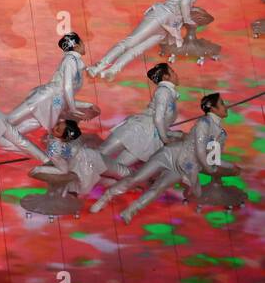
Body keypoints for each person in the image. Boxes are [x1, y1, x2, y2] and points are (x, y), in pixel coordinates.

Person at [89, 93, 228, 223]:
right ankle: (106, 197)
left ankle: (131, 210)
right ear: (213, 108)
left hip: (184, 166)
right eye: (222, 103)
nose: (225, 106)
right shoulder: (204, 123)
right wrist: (207, 168)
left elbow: (213, 156)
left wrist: (206, 168)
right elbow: (199, 148)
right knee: (137, 178)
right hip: (171, 154)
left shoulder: (221, 133)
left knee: (157, 189)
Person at [88, 0, 198, 80]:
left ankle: (105, 69)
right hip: (167, 19)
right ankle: (104, 69)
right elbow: (184, 2)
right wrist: (188, 20)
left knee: (132, 44)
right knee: (133, 45)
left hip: (166, 20)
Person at [98, 63, 184, 171]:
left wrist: (175, 134)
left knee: (115, 167)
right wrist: (165, 139)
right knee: (100, 155)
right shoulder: (164, 91)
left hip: (148, 137)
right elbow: (158, 119)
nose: (176, 74)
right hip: (138, 128)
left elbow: (162, 124)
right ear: (166, 77)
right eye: (173, 72)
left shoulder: (169, 94)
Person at [7, 33, 91, 132]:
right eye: (82, 42)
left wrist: (86, 105)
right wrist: (73, 108)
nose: (84, 45)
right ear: (76, 46)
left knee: (36, 122)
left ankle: (1, 139)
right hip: (49, 94)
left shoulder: (76, 63)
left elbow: (63, 96)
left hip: (56, 98)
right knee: (14, 118)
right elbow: (67, 87)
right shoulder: (70, 60)